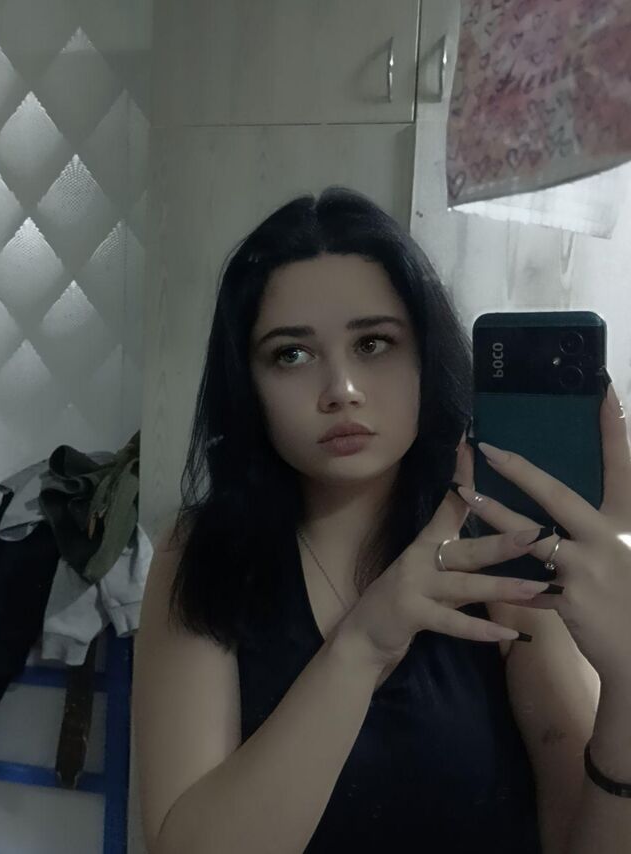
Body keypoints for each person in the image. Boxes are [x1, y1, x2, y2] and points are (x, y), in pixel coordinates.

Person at [132, 187, 558, 854]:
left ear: (425, 356)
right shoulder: (199, 552)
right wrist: (362, 645)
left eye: (374, 343)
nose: (342, 390)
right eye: (291, 355)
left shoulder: (498, 541)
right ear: (248, 385)